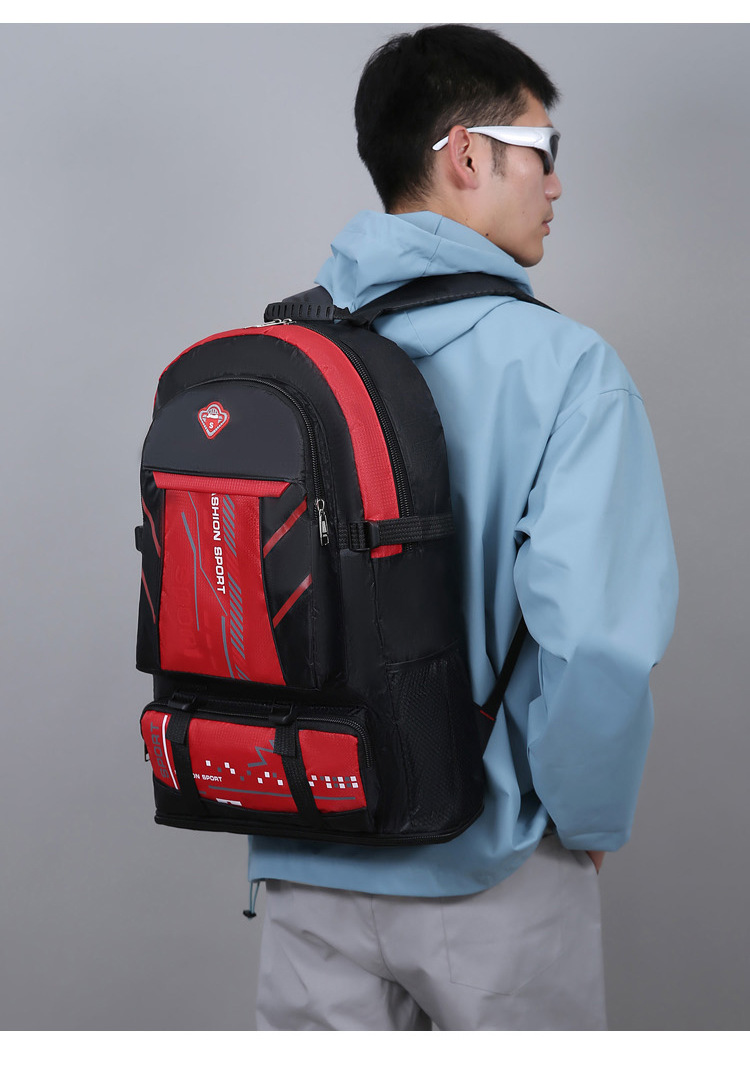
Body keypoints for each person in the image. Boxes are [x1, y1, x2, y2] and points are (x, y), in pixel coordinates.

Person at [250, 23, 678, 1031]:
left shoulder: (290, 354)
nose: (556, 184)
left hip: (307, 846)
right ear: (468, 155)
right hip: (493, 865)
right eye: (542, 150)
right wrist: (588, 815)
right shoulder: (566, 368)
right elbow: (594, 640)